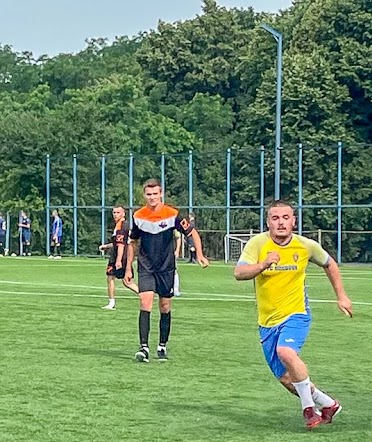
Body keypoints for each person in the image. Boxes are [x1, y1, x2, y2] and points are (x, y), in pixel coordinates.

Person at [234, 200, 353, 429]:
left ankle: (308, 410)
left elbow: (329, 264)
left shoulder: (305, 245)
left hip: (297, 313)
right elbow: (239, 272)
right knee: (287, 379)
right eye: (275, 218)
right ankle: (328, 405)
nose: (281, 223)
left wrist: (342, 296)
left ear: (293, 221)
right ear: (268, 221)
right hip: (267, 321)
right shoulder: (257, 244)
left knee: (286, 352)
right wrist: (263, 264)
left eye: (285, 218)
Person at [125, 179, 209, 362]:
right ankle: (144, 348)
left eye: (155, 194)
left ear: (161, 194)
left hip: (166, 268)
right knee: (145, 302)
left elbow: (192, 233)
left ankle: (162, 346)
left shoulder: (172, 214)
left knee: (164, 306)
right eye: (149, 194)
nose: (152, 197)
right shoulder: (138, 216)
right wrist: (128, 267)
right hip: (146, 267)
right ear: (144, 195)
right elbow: (132, 242)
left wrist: (200, 255)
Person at [99, 205, 139, 309]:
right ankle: (111, 302)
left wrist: (118, 260)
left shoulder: (122, 226)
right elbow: (118, 243)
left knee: (125, 281)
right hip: (119, 255)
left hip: (120, 256)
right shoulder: (119, 226)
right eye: (114, 212)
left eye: (117, 212)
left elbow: (121, 245)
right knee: (114, 278)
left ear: (123, 214)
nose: (115, 215)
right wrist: (106, 246)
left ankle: (144, 296)